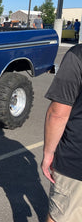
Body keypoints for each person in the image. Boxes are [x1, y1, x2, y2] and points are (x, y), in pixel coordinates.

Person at [42, 44, 82, 221]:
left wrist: (48, 154)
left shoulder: (78, 55)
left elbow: (58, 113)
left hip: (76, 162)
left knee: (61, 216)